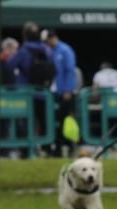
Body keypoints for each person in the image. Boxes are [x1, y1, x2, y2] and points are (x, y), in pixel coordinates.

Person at [44, 29, 78, 157]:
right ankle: (58, 149)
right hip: (57, 92)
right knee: (58, 122)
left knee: (67, 121)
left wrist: (68, 90)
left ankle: (70, 147)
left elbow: (70, 70)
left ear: (52, 38)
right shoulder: (52, 51)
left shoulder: (65, 50)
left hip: (66, 93)